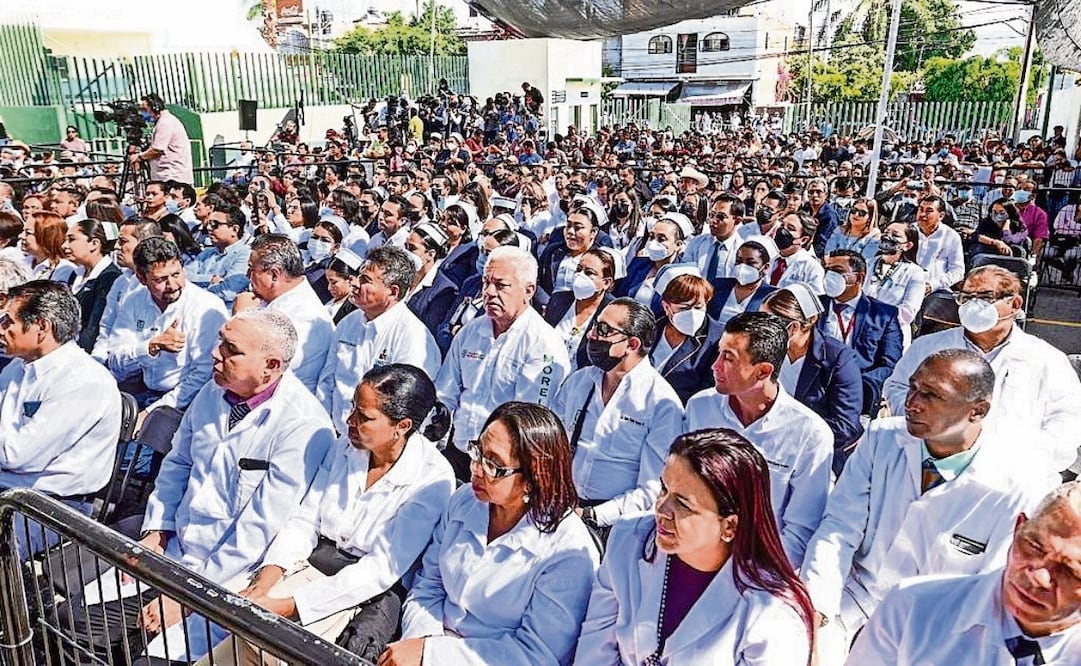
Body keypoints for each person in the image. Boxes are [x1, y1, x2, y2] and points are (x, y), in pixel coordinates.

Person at [66, 309, 336, 664]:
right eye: (220, 340)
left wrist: (190, 596)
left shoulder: (302, 426)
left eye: (230, 348)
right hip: (174, 548)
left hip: (227, 577)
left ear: (270, 365)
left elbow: (259, 528)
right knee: (70, 624)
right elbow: (178, 463)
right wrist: (157, 531)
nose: (215, 352)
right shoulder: (213, 391)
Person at [805, 349, 1057, 658]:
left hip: (937, 627)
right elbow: (839, 528)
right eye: (912, 388)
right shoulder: (882, 438)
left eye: (932, 395)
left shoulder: (1017, 484)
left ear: (978, 411)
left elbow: (992, 587)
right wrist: (817, 606)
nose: (912, 403)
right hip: (854, 602)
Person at [203, 364, 456, 665]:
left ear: (401, 426)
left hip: (358, 593)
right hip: (309, 565)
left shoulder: (431, 478)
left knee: (265, 647)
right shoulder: (344, 447)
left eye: (364, 417)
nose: (350, 420)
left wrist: (287, 605)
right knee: (236, 629)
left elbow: (379, 570)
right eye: (352, 408)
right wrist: (266, 582)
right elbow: (304, 520)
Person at [574, 429, 815, 664]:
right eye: (663, 489)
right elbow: (594, 650)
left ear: (729, 526)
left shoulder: (773, 612)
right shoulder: (628, 540)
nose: (661, 509)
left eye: (683, 505)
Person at [385, 402, 599, 666]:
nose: (475, 469)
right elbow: (429, 584)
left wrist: (433, 655)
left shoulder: (568, 552)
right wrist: (420, 640)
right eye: (478, 452)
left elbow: (538, 654)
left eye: (494, 465)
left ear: (534, 478)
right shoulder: (465, 500)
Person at [847, 482, 1081, 664]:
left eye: (1071, 572)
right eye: (1033, 546)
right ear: (1018, 526)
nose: (1038, 577)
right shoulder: (913, 607)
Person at [883, 265, 1081, 474]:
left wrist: (1030, 459)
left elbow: (1068, 418)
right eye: (967, 298)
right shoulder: (928, 347)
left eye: (985, 297)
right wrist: (924, 425)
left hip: (1012, 475)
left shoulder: (1045, 359)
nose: (973, 306)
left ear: (1014, 304)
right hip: (931, 464)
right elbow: (896, 386)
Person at [685, 311, 833, 566]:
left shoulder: (810, 434)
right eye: (719, 353)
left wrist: (750, 575)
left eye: (728, 358)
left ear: (763, 371)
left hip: (758, 567)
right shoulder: (700, 407)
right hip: (692, 550)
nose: (715, 365)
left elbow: (800, 531)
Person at [0, 280, 122, 557]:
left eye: (9, 322)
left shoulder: (83, 381)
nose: (1, 329)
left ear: (42, 327)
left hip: (50, 507)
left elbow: (17, 455)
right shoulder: (17, 369)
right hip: (11, 491)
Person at [436, 245, 571, 479]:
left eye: (501, 285)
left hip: (502, 464)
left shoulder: (544, 344)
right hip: (457, 452)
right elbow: (445, 394)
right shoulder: (470, 332)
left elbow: (529, 420)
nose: (488, 292)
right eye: (485, 282)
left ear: (529, 290)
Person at [552, 298, 684, 532]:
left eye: (604, 330)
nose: (592, 335)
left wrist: (591, 515)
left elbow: (652, 488)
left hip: (615, 526)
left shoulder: (661, 404)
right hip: (561, 507)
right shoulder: (579, 382)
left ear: (632, 344)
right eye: (595, 326)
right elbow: (550, 445)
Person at [99, 237, 228, 421]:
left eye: (176, 274)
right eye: (161, 280)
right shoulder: (134, 300)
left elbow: (203, 375)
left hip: (184, 404)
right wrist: (151, 347)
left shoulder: (206, 306)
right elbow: (116, 360)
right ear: (142, 278)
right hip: (138, 391)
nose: (173, 286)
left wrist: (153, 413)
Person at [317, 246, 440, 434]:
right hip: (334, 434)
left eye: (365, 280)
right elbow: (328, 380)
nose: (355, 284)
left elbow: (405, 406)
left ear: (393, 291)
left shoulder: (412, 338)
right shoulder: (348, 323)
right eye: (358, 276)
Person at [761, 284, 864, 475]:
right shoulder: (764, 350)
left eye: (769, 323)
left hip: (817, 458)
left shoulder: (839, 359)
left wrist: (785, 434)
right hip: (766, 446)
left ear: (794, 327)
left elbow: (845, 425)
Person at [233, 234, 333, 394]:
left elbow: (254, 371)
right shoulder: (275, 299)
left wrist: (241, 319)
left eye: (252, 270)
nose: (248, 276)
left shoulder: (303, 317)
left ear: (274, 274)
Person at [820, 250, 903, 417]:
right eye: (827, 270)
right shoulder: (815, 306)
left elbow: (890, 364)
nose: (830, 276)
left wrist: (856, 382)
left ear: (859, 277)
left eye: (837, 271)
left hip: (858, 391)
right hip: (815, 384)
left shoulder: (884, 314)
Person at [650, 271, 723, 405]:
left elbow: (708, 391)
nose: (692, 314)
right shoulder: (651, 328)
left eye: (698, 307)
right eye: (684, 308)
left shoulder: (717, 340)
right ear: (666, 307)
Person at [543, 247, 618, 370]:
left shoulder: (613, 313)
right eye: (578, 270)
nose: (580, 276)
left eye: (589, 273)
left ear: (606, 282)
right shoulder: (559, 300)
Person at [862, 221, 926, 348]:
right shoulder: (866, 264)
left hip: (891, 334)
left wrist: (878, 321)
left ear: (907, 245)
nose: (887, 237)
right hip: (861, 328)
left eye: (895, 235)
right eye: (886, 232)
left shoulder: (914, 272)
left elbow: (908, 311)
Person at [63, 218, 123, 352]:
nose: (64, 246)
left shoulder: (109, 278)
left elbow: (95, 327)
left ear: (94, 244)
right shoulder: (76, 274)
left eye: (71, 240)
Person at [618, 212, 693, 306]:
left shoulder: (681, 278)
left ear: (678, 245)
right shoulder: (637, 264)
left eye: (661, 239)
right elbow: (620, 295)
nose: (654, 243)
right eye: (652, 237)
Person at [185, 202, 251, 309]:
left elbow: (228, 292)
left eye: (215, 224)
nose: (209, 228)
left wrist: (193, 294)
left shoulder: (245, 254)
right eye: (209, 224)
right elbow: (184, 277)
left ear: (234, 229)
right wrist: (209, 279)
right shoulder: (207, 253)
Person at [404, 222, 459, 338]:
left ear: (430, 254)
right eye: (406, 247)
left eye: (412, 248)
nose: (406, 252)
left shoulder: (444, 290)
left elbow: (428, 330)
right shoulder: (401, 275)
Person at [707, 237, 777, 325]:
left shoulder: (771, 296)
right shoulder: (718, 285)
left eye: (750, 263)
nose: (742, 267)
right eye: (739, 261)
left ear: (765, 267)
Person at [130, 93, 194, 185]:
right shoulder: (164, 121)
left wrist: (139, 157)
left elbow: (157, 150)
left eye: (145, 109)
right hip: (167, 177)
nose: (142, 113)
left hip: (172, 177)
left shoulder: (165, 123)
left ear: (154, 108)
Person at [682, 193, 744, 281]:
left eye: (721, 217)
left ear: (737, 221)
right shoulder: (696, 243)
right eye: (711, 215)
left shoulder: (742, 250)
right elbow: (685, 274)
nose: (713, 221)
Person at [915, 195, 965, 293]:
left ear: (941, 216)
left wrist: (932, 285)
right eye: (920, 210)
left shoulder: (951, 236)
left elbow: (957, 271)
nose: (922, 214)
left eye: (929, 211)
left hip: (936, 289)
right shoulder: (909, 231)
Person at [770, 211, 825, 294]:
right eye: (782, 225)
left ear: (803, 240)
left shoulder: (812, 268)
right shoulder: (771, 257)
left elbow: (815, 299)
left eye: (791, 228)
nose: (782, 230)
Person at [21, 211, 77, 284]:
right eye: (23, 231)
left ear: (47, 236)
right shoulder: (22, 262)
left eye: (28, 233)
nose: (21, 236)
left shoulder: (64, 269)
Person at [824, 197, 880, 264]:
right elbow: (828, 254)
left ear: (870, 218)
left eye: (862, 213)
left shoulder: (873, 235)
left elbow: (864, 261)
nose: (856, 214)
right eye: (854, 210)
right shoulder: (839, 230)